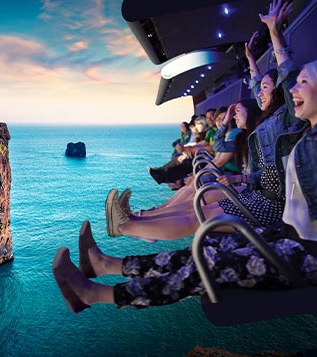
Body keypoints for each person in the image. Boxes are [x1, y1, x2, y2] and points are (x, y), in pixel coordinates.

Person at [52, 60, 317, 313]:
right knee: (203, 250)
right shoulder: (301, 137)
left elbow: (281, 86)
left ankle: (96, 292)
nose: (293, 87)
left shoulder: (298, 137)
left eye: (303, 81)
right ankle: (107, 263)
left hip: (305, 251)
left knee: (209, 261)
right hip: (288, 233)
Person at [106, 0, 300, 240]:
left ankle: (125, 226)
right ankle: (138, 219)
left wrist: (274, 32)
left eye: (266, 88)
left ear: (280, 92)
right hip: (255, 193)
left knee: (196, 213)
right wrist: (250, 59)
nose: (259, 91)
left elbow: (288, 74)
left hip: (270, 206)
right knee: (197, 205)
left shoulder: (287, 118)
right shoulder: (267, 117)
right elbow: (255, 85)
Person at [124, 99, 260, 217]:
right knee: (192, 187)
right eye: (220, 118)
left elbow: (219, 157)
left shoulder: (236, 134)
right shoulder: (238, 134)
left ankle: (152, 214)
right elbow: (217, 151)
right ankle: (156, 211)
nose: (232, 117)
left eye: (235, 113)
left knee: (195, 193)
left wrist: (202, 174)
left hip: (229, 175)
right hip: (228, 175)